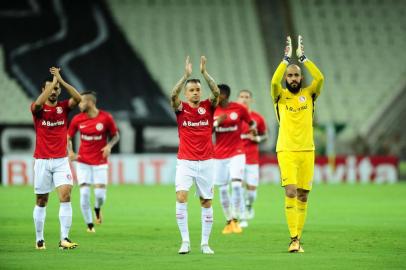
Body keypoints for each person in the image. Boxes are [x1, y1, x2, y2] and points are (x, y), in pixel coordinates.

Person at [270, 35, 324, 252]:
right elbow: (274, 81)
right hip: (286, 150)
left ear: (301, 78)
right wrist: (285, 60)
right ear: (286, 78)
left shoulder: (309, 94)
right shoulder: (279, 95)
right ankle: (293, 237)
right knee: (290, 191)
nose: (293, 78)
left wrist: (303, 59)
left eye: (296, 75)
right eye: (290, 76)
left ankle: (297, 239)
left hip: (307, 151)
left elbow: (320, 79)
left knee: (303, 194)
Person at [171, 56, 220, 255]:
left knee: (206, 202)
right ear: (186, 92)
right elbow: (172, 95)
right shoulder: (180, 108)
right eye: (191, 90)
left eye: (198, 89)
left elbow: (216, 92)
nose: (195, 92)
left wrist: (204, 73)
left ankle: (205, 244)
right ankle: (185, 241)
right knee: (181, 197)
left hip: (207, 162)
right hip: (185, 162)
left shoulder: (208, 106)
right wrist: (186, 76)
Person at [31, 67, 82, 250]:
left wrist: (60, 79)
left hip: (61, 160)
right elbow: (37, 105)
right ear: (43, 91)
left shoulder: (63, 108)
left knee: (66, 195)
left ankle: (64, 239)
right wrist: (52, 83)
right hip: (42, 160)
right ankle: (39, 239)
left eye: (56, 88)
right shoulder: (37, 109)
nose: (53, 91)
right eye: (50, 88)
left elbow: (78, 99)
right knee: (41, 200)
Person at [67, 91, 119, 233]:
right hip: (83, 161)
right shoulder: (77, 119)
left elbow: (116, 135)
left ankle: (97, 208)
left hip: (100, 161)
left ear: (90, 102)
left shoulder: (106, 118)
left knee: (100, 196)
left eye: (82, 102)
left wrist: (109, 146)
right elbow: (68, 137)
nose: (79, 104)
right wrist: (71, 152)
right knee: (84, 193)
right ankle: (90, 225)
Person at [213, 84, 256, 234]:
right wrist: (217, 122)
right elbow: (205, 130)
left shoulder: (239, 109)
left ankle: (237, 219)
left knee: (237, 186)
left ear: (224, 95)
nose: (214, 96)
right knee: (223, 189)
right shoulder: (211, 109)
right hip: (218, 156)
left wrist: (253, 129)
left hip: (237, 153)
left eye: (216, 94)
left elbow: (251, 123)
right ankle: (229, 220)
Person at [236, 89, 268, 228]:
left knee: (252, 192)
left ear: (251, 100)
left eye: (247, 97)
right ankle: (242, 216)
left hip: (252, 157)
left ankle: (249, 205)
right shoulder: (233, 117)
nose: (244, 99)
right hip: (236, 156)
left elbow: (265, 135)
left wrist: (258, 138)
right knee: (239, 185)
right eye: (241, 97)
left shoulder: (257, 118)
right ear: (237, 99)